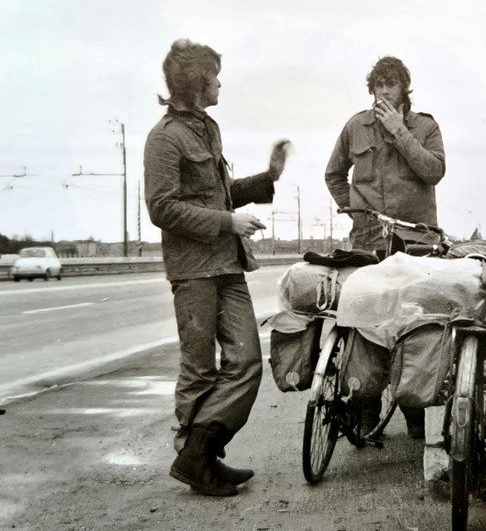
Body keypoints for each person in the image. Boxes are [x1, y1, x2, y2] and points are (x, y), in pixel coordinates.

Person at [144, 39, 289, 496]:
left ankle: (199, 454)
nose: (221, 82)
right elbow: (162, 208)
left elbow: (220, 193)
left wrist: (269, 178)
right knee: (200, 369)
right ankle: (198, 459)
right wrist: (228, 221)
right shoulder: (164, 138)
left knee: (246, 361)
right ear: (195, 81)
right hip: (193, 270)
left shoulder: (207, 129)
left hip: (227, 264)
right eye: (215, 75)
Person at [325, 56, 446, 439]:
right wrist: (355, 212)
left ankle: (413, 409)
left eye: (390, 85)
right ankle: (365, 407)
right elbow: (333, 174)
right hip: (368, 241)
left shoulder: (425, 126)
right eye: (377, 85)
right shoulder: (355, 126)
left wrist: (400, 133)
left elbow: (434, 171)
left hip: (416, 243)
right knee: (365, 322)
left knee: (413, 324)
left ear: (404, 89)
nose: (383, 92)